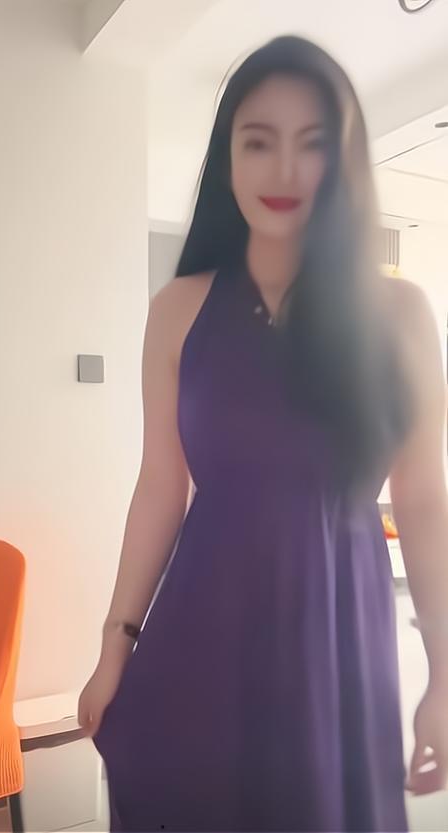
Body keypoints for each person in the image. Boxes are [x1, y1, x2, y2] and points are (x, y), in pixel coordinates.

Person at [78, 35, 448, 832]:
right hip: (200, 634)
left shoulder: (402, 314)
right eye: (258, 141)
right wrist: (115, 645)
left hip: (338, 646)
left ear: (344, 162)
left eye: (313, 144)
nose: (284, 169)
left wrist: (446, 673)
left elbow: (424, 502)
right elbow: (160, 486)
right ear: (228, 157)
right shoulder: (177, 310)